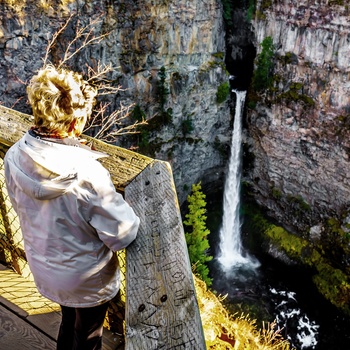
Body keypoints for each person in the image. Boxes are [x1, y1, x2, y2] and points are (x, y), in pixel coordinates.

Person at [4, 65, 140, 350]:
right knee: (89, 334)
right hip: (87, 279)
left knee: (68, 318)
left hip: (45, 267)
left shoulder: (14, 155)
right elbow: (121, 234)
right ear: (74, 123)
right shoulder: (87, 173)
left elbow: (20, 205)